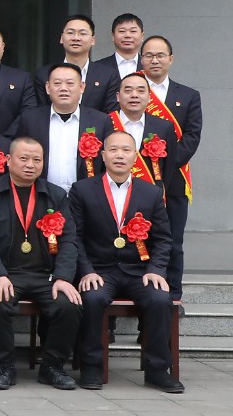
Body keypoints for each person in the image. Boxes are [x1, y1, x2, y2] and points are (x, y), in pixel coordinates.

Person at [71, 131, 181, 393]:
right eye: (113, 150)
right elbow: (74, 237)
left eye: (126, 150)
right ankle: (91, 367)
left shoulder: (151, 193)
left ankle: (157, 370)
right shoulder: (82, 190)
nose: (119, 155)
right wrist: (86, 271)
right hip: (99, 271)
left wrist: (156, 270)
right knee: (92, 298)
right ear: (102, 155)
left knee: (160, 299)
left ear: (135, 156)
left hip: (138, 271)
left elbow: (163, 239)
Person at [0, 136, 83, 391]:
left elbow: (69, 240)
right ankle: (4, 367)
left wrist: (63, 277)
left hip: (45, 275)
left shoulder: (55, 195)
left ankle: (52, 367)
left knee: (69, 304)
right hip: (5, 273)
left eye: (37, 160)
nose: (30, 165)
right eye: (23, 158)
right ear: (8, 160)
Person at [138, 35, 200, 298]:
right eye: (149, 55)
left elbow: (191, 137)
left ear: (171, 59)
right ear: (141, 59)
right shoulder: (131, 89)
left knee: (173, 241)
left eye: (160, 55)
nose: (155, 60)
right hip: (135, 175)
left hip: (173, 180)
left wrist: (161, 166)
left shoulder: (188, 95)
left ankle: (174, 297)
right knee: (135, 238)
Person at [16, 63, 112, 195]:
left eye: (70, 83)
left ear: (82, 87)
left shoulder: (101, 121)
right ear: (48, 88)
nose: (63, 88)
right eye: (57, 83)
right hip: (41, 195)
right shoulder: (30, 119)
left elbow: (106, 163)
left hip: (86, 196)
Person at [35, 15, 120, 113]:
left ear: (93, 40)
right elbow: (40, 112)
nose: (76, 38)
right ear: (61, 38)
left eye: (83, 33)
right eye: (70, 33)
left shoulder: (108, 75)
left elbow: (111, 113)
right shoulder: (44, 74)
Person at [110, 13, 145, 80]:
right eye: (122, 31)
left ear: (142, 36)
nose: (127, 35)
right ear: (113, 36)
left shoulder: (148, 66)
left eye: (133, 31)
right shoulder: (99, 67)